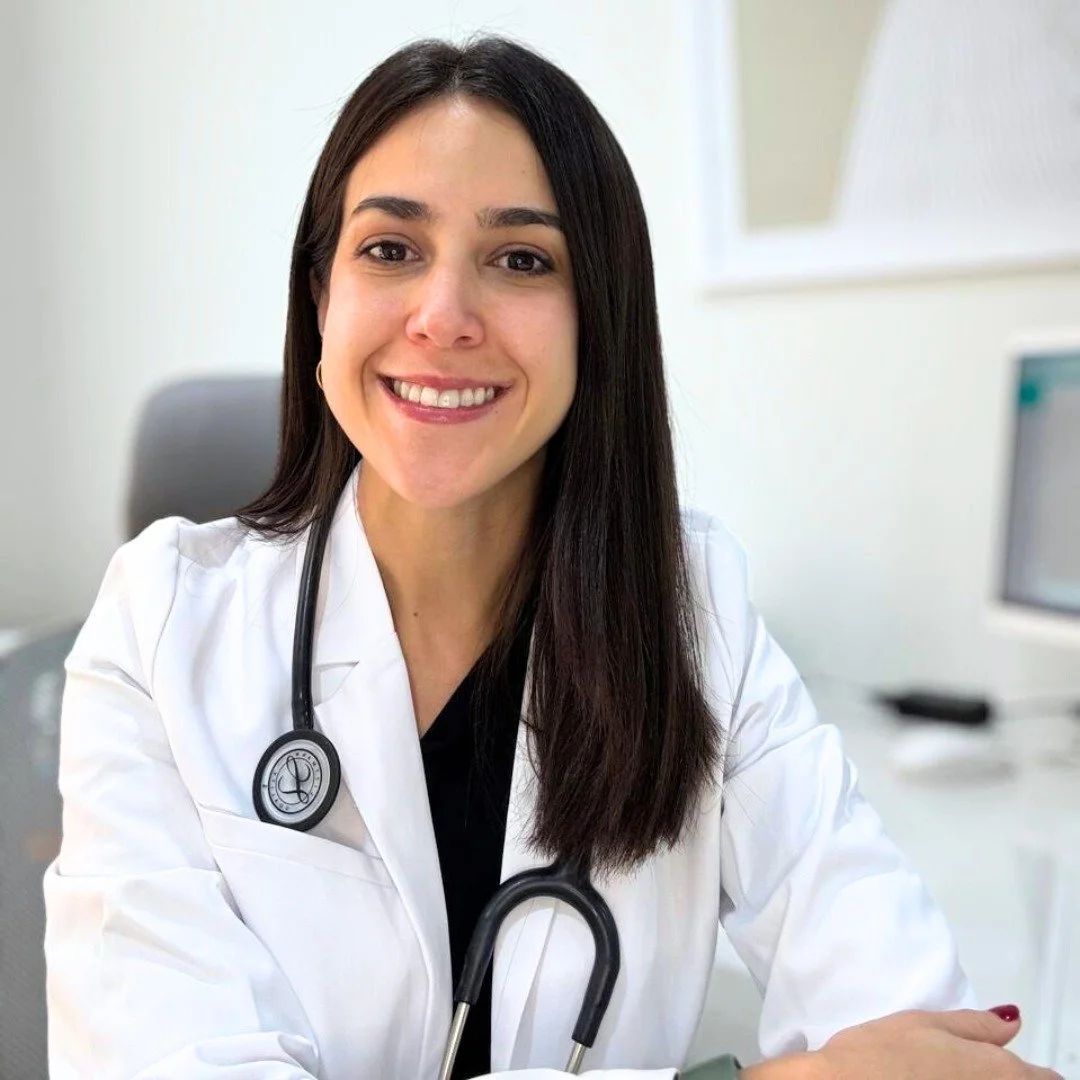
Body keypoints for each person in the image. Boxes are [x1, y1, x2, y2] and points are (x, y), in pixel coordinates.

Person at [42, 36, 1060, 1080]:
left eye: (521, 259)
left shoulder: (692, 609)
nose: (443, 318)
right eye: (391, 249)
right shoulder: (162, 623)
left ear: (598, 325)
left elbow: (920, 1041)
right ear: (319, 299)